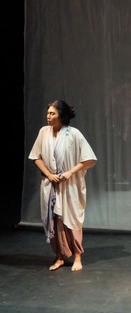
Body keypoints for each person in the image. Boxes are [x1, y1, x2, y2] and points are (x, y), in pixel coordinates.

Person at [29, 100, 97, 271]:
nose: (48, 116)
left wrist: (69, 173)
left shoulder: (73, 134)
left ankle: (77, 256)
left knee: (72, 219)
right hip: (50, 184)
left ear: (62, 115)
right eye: (48, 113)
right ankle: (59, 256)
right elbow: (36, 157)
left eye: (52, 113)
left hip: (70, 184)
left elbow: (88, 159)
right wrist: (49, 174)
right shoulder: (44, 132)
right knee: (54, 220)